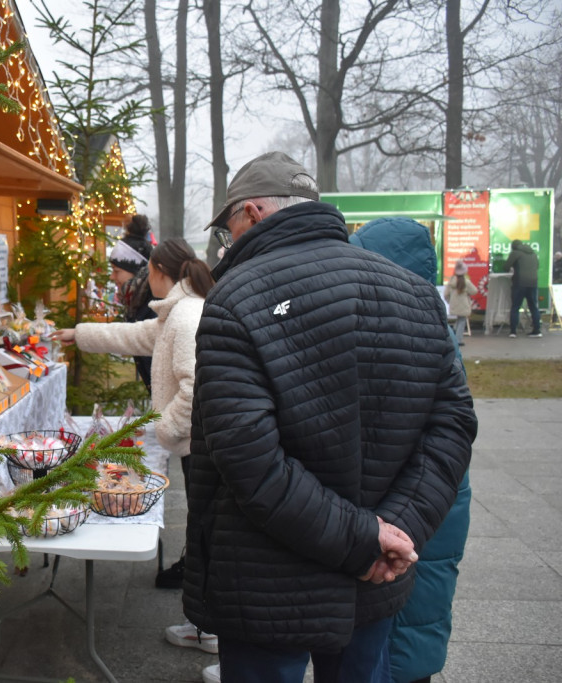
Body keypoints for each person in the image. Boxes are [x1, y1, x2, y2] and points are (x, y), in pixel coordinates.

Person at [186, 152, 477, 683]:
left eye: (228, 229)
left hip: (268, 586)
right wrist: (392, 533)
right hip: (378, 573)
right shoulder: (414, 293)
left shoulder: (236, 298)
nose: (228, 245)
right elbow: (452, 428)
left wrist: (372, 540)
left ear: (250, 212)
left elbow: (249, 461)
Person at [52, 238, 219, 654]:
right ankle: (203, 624)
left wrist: (165, 430)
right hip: (194, 444)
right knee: (201, 530)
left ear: (162, 271)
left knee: (206, 535)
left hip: (200, 446)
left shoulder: (185, 316)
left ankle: (213, 631)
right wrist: (81, 334)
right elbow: (136, 336)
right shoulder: (176, 311)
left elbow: (196, 385)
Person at [349, 217, 473, 683]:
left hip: (417, 515)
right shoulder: (431, 330)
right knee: (414, 622)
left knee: (402, 629)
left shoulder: (409, 336)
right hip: (432, 505)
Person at [108, 214, 157, 390]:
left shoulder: (154, 306)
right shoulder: (138, 302)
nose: (112, 277)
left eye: (116, 271)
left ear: (137, 271)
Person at [503, 239, 542, 338]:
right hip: (533, 283)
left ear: (513, 246)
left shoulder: (515, 253)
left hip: (519, 283)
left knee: (515, 307)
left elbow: (506, 267)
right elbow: (537, 266)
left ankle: (513, 331)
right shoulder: (533, 253)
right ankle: (537, 330)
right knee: (533, 307)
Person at [443, 259, 478, 345]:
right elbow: (474, 291)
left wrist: (449, 301)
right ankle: (458, 340)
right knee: (462, 321)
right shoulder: (466, 282)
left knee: (458, 320)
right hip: (464, 306)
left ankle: (453, 334)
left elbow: (446, 294)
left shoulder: (451, 282)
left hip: (454, 305)